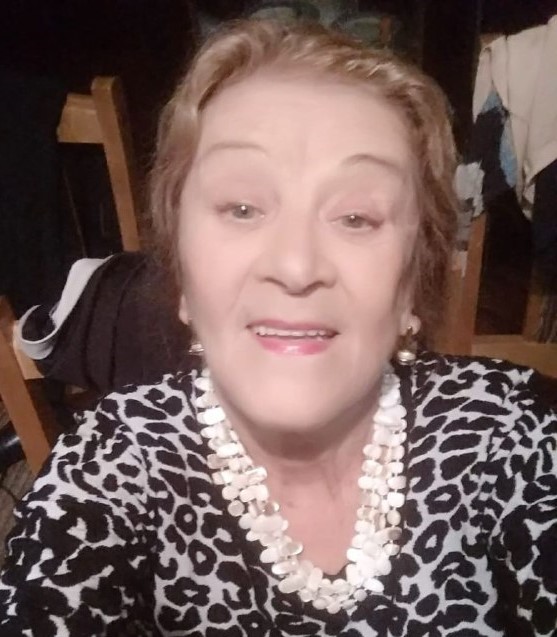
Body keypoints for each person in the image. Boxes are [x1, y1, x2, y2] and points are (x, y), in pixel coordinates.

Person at [1, 19, 556, 636]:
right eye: (242, 208)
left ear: (411, 284)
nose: (295, 266)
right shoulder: (107, 470)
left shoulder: (509, 431)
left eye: (356, 217)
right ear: (182, 274)